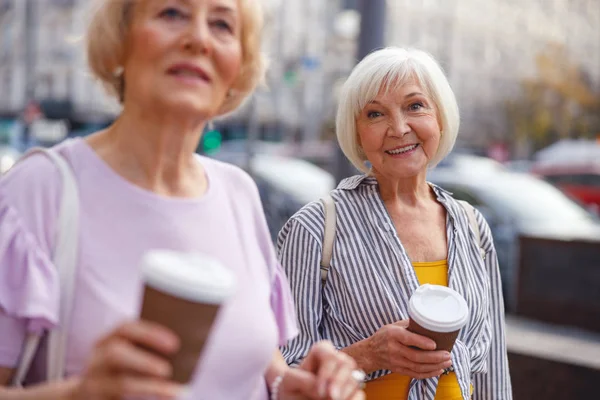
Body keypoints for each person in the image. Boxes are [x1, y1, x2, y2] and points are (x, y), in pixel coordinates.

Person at [0, 1, 365, 399]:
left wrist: (291, 384)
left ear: (238, 66)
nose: (199, 39)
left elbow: (256, 365)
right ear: (120, 40)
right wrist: (80, 394)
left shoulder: (238, 194)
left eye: (222, 24)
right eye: (172, 13)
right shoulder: (38, 190)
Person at [278, 47, 512, 400]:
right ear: (356, 134)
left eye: (415, 106)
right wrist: (367, 355)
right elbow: (281, 375)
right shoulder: (315, 228)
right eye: (375, 114)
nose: (399, 128)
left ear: (440, 118)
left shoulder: (471, 226)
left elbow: (492, 371)